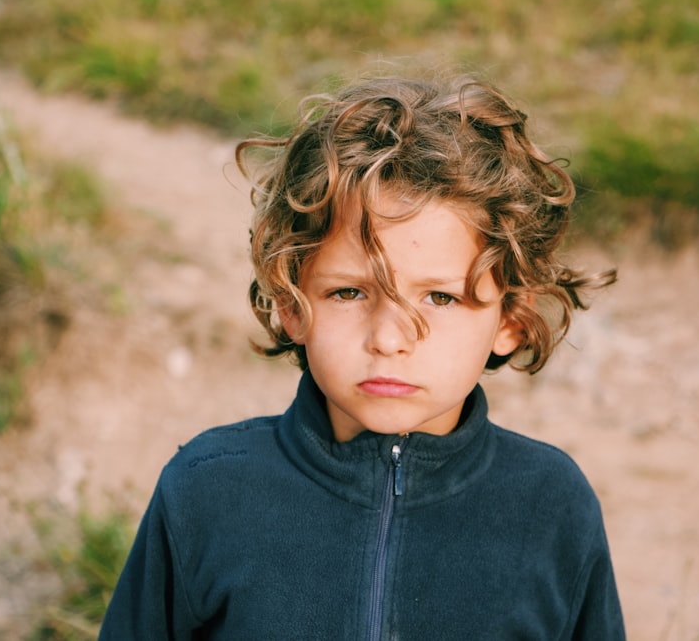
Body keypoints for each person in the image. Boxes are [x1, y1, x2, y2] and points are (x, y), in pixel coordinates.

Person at [99, 74, 625, 640]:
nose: (389, 339)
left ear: (512, 320)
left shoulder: (550, 505)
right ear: (291, 303)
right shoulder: (206, 490)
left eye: (441, 297)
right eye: (349, 292)